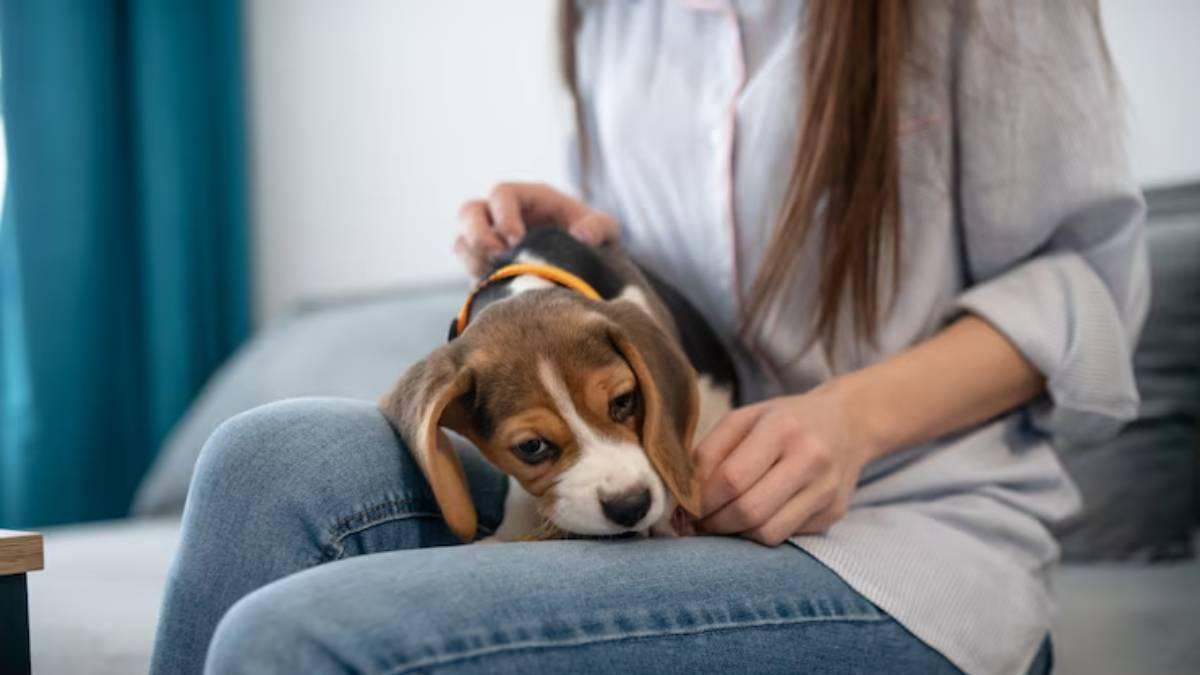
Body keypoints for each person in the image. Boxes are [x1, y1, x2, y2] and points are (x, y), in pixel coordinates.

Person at [150, 1, 1147, 673]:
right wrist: (577, 245)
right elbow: (671, 295)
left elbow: (1086, 290)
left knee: (289, 639)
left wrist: (847, 423)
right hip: (680, 484)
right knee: (260, 460)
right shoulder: (608, 15)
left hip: (903, 532)